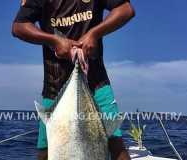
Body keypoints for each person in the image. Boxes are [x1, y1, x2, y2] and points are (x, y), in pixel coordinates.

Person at [12, 0, 135, 159]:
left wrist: (94, 33)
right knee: (46, 149)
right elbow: (18, 26)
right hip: (54, 85)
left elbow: (126, 9)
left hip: (97, 82)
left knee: (115, 143)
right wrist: (54, 40)